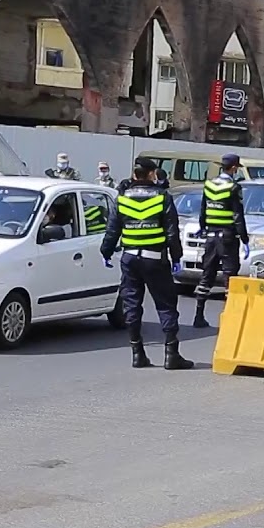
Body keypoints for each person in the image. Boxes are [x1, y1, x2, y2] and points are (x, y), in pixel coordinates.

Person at [99, 158, 194, 370]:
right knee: (166, 304)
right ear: (152, 174)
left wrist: (105, 252)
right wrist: (176, 257)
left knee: (131, 305)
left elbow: (112, 229)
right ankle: (171, 354)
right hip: (154, 258)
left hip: (130, 259)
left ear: (134, 175)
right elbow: (172, 231)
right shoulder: (162, 197)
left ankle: (137, 353)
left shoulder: (122, 198)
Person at [191, 153, 250, 328]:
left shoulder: (209, 185)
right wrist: (245, 239)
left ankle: (198, 315)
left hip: (210, 236)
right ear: (233, 168)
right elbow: (238, 214)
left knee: (207, 275)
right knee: (230, 276)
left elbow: (203, 210)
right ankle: (229, 318)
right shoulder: (233, 187)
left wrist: (202, 227)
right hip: (227, 237)